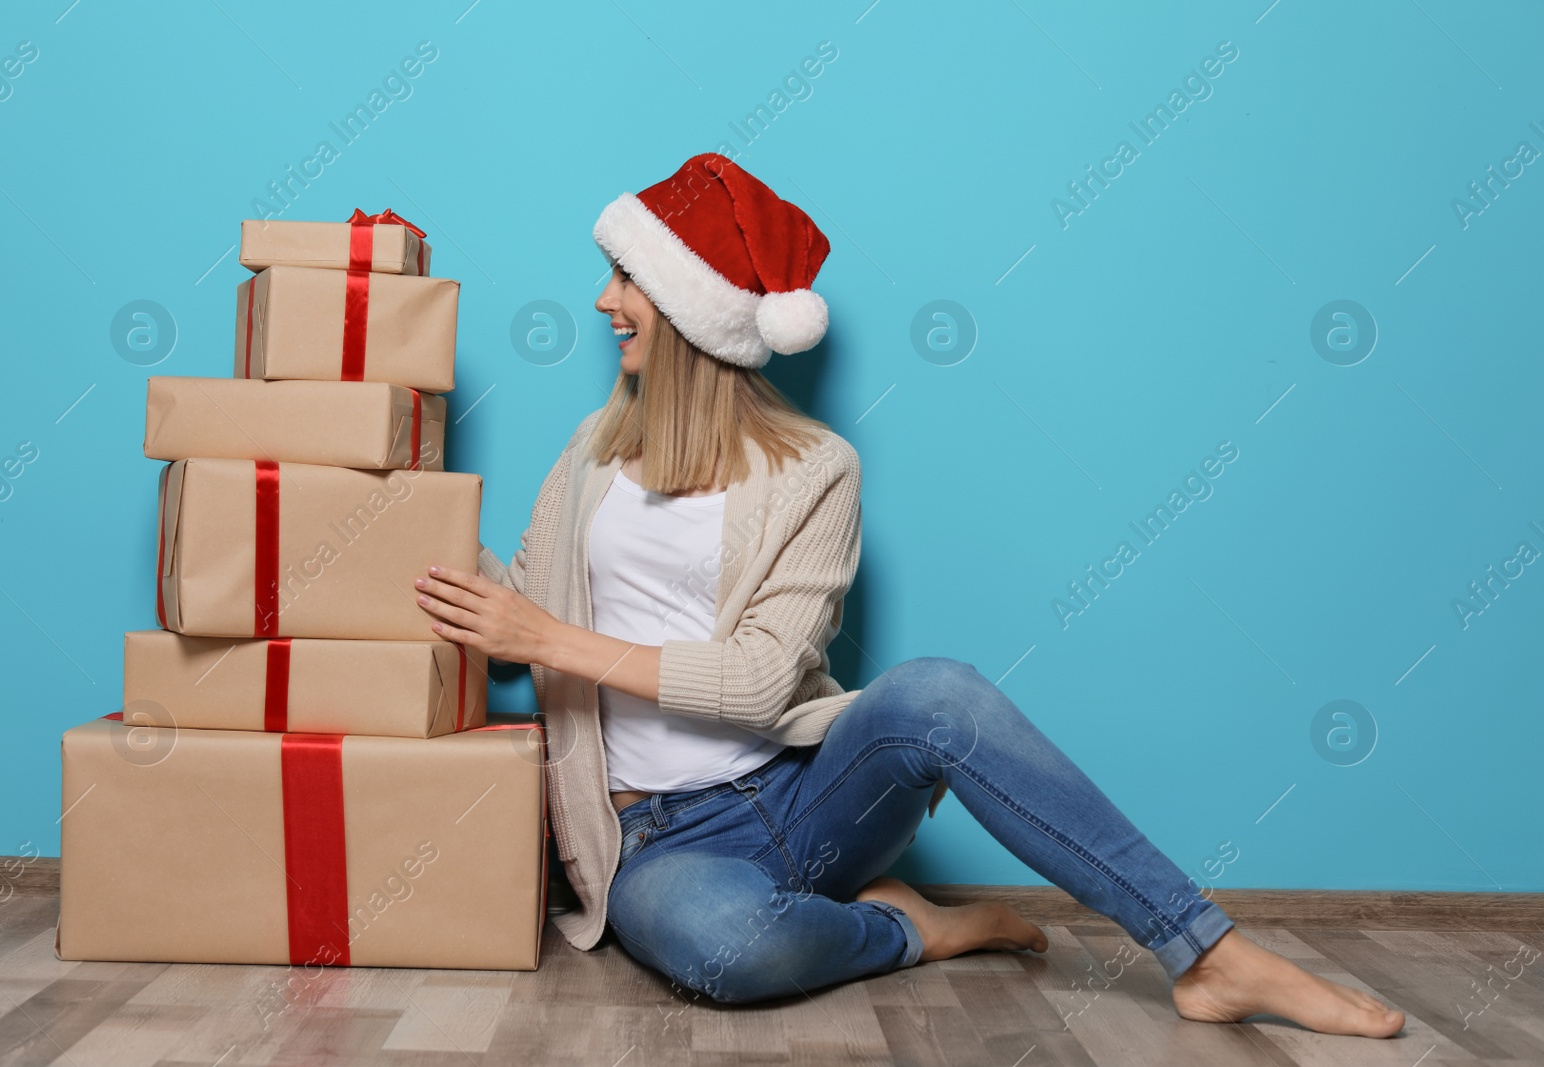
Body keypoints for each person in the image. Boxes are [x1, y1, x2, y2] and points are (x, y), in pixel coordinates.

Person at [413, 153, 1405, 1037]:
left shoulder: (816, 468)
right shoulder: (590, 451)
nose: (602, 300)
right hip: (653, 836)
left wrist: (544, 636)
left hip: (804, 795)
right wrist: (412, 546)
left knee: (938, 688)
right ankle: (909, 925)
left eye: (626, 275)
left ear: (685, 303)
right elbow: (513, 623)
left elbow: (759, 684)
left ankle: (1205, 950)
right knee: (723, 950)